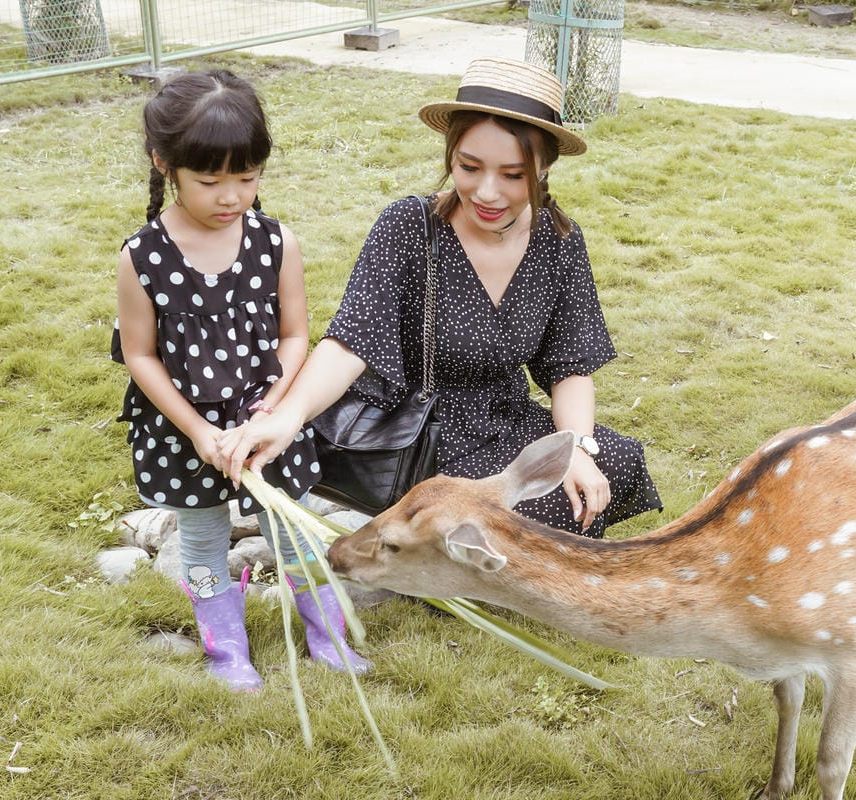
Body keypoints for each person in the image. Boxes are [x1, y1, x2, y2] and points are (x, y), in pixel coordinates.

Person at [220, 57, 661, 537]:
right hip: (420, 430)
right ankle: (428, 548)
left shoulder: (559, 242)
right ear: (451, 154)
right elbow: (352, 342)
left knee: (611, 463)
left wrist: (573, 447)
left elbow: (570, 366)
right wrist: (289, 417)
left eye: (513, 175)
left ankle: (447, 547)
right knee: (526, 517)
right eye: (469, 167)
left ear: (545, 166)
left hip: (501, 419)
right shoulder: (409, 227)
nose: (487, 193)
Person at [112, 69, 370, 691]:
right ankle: (226, 648)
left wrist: (270, 413)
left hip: (266, 421)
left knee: (295, 527)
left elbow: (294, 337)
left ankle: (325, 632)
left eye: (247, 178)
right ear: (164, 164)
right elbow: (141, 357)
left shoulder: (276, 242)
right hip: (186, 431)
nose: (231, 196)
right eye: (210, 180)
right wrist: (200, 431)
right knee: (202, 537)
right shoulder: (142, 256)